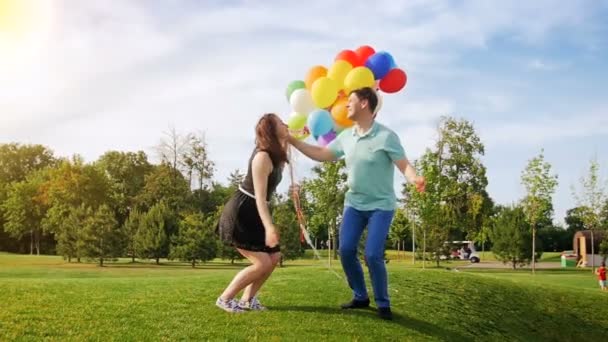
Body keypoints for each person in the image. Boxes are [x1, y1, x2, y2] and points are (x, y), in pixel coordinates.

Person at [289, 87, 426, 320]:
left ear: (364, 103)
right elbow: (323, 153)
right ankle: (360, 296)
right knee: (346, 250)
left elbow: (403, 165)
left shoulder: (386, 136)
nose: (345, 106)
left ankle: (383, 303)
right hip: (354, 204)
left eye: (350, 101)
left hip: (381, 206)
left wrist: (415, 178)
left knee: (372, 254)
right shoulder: (346, 137)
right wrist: (293, 141)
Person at [216, 113, 289, 313]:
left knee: (274, 258)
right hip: (243, 211)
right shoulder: (262, 157)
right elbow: (259, 198)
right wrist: (269, 227)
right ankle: (225, 299)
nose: (286, 123)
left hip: (258, 209)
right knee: (261, 262)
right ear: (272, 132)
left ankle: (248, 300)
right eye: (281, 123)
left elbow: (288, 143)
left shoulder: (278, 153)